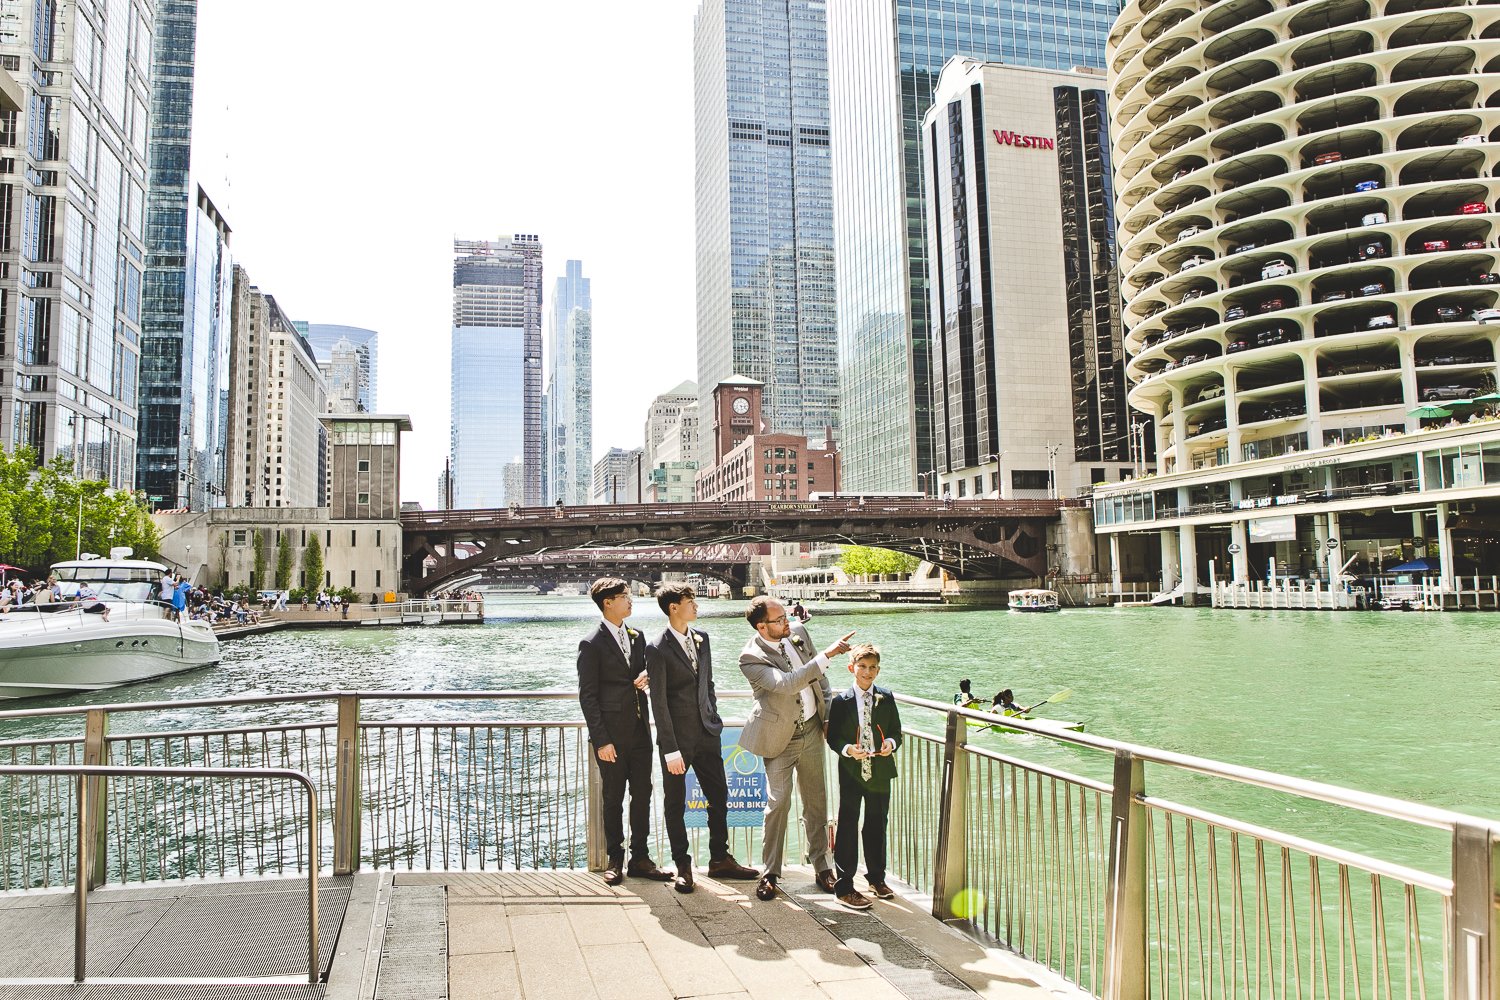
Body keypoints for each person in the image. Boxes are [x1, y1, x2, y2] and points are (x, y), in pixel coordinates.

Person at [645, 583, 758, 893]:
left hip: (708, 734)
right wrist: (670, 750)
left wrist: (713, 715)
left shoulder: (702, 638)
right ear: (673, 608)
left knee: (719, 796)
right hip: (677, 742)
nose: (696, 606)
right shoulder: (656, 648)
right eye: (690, 601)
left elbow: (707, 683)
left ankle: (720, 859)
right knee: (675, 803)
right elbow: (659, 703)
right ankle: (683, 864)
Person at [738, 595, 852, 901]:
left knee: (816, 801)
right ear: (762, 626)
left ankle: (823, 867)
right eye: (780, 620)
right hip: (780, 737)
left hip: (813, 729)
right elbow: (787, 683)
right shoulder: (749, 657)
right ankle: (770, 872)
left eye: (786, 617)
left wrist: (827, 716)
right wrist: (827, 654)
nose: (788, 622)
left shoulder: (798, 634)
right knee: (778, 802)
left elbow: (820, 680)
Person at [576, 578, 671, 887]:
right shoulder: (591, 643)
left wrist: (647, 674)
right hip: (612, 738)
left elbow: (646, 672)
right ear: (608, 603)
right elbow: (587, 696)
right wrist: (601, 740)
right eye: (625, 597)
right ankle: (615, 858)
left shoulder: (637, 635)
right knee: (613, 797)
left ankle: (640, 857)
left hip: (640, 732)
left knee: (643, 794)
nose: (631, 601)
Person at [825, 643, 903, 909]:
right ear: (851, 668)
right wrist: (848, 750)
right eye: (862, 667)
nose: (867, 672)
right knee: (848, 824)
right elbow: (833, 738)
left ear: (878, 671)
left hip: (880, 770)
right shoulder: (840, 702)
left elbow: (896, 732)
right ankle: (844, 884)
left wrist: (890, 744)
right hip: (852, 772)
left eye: (872, 668)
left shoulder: (887, 697)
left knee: (877, 823)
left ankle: (876, 878)